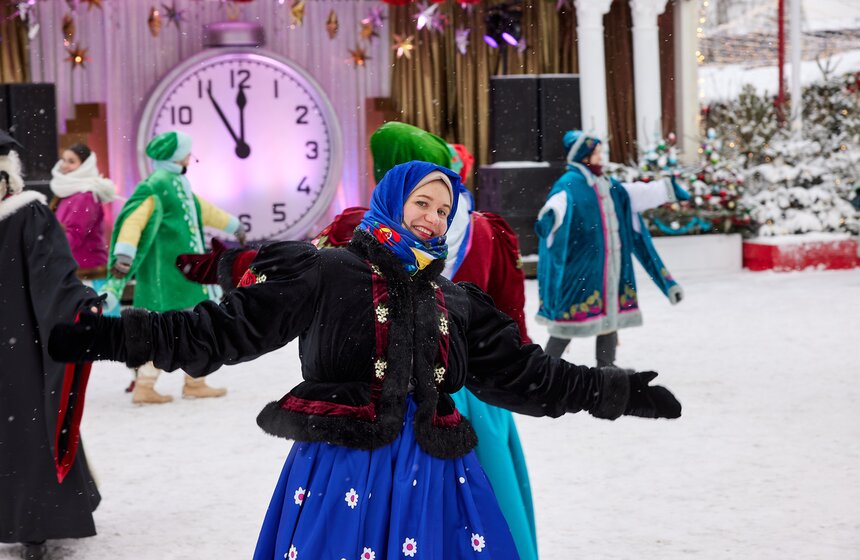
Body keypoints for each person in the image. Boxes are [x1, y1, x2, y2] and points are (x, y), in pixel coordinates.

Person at [50, 160, 682, 560]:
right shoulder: (327, 272)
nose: (433, 220)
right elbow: (221, 330)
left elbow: (526, 376)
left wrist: (615, 392)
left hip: (436, 478)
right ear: (391, 202)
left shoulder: (455, 302)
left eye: (443, 211)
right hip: (343, 471)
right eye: (422, 204)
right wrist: (111, 336)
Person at [180, 122, 540, 560]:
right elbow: (510, 318)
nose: (432, 215)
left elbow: (287, 274)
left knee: (363, 519)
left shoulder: (357, 227)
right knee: (463, 520)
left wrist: (220, 266)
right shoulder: (489, 230)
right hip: (466, 396)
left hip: (374, 398)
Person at [0, 130, 102, 560]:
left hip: (17, 351)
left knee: (27, 429)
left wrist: (81, 308)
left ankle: (35, 524)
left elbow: (56, 278)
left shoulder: (27, 216)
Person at [103, 130, 245, 404]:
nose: (191, 157)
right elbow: (134, 219)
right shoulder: (155, 185)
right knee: (168, 330)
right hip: (167, 277)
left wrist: (232, 224)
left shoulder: (179, 184)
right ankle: (147, 385)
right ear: (178, 157)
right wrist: (124, 253)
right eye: (188, 153)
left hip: (187, 275)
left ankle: (194, 381)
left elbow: (202, 209)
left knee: (192, 328)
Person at [536, 130, 689, 365]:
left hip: (611, 270)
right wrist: (549, 218)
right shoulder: (570, 184)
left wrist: (667, 189)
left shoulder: (608, 184)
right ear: (584, 157)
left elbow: (638, 192)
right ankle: (542, 371)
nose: (601, 157)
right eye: (596, 153)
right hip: (581, 273)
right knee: (565, 325)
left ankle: (606, 366)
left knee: (609, 319)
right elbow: (557, 205)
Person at [50, 143, 117, 292]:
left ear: (85, 166)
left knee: (95, 314)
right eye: (64, 160)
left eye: (71, 161)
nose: (65, 165)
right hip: (76, 269)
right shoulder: (68, 192)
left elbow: (74, 235)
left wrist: (50, 254)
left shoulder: (85, 196)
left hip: (87, 273)